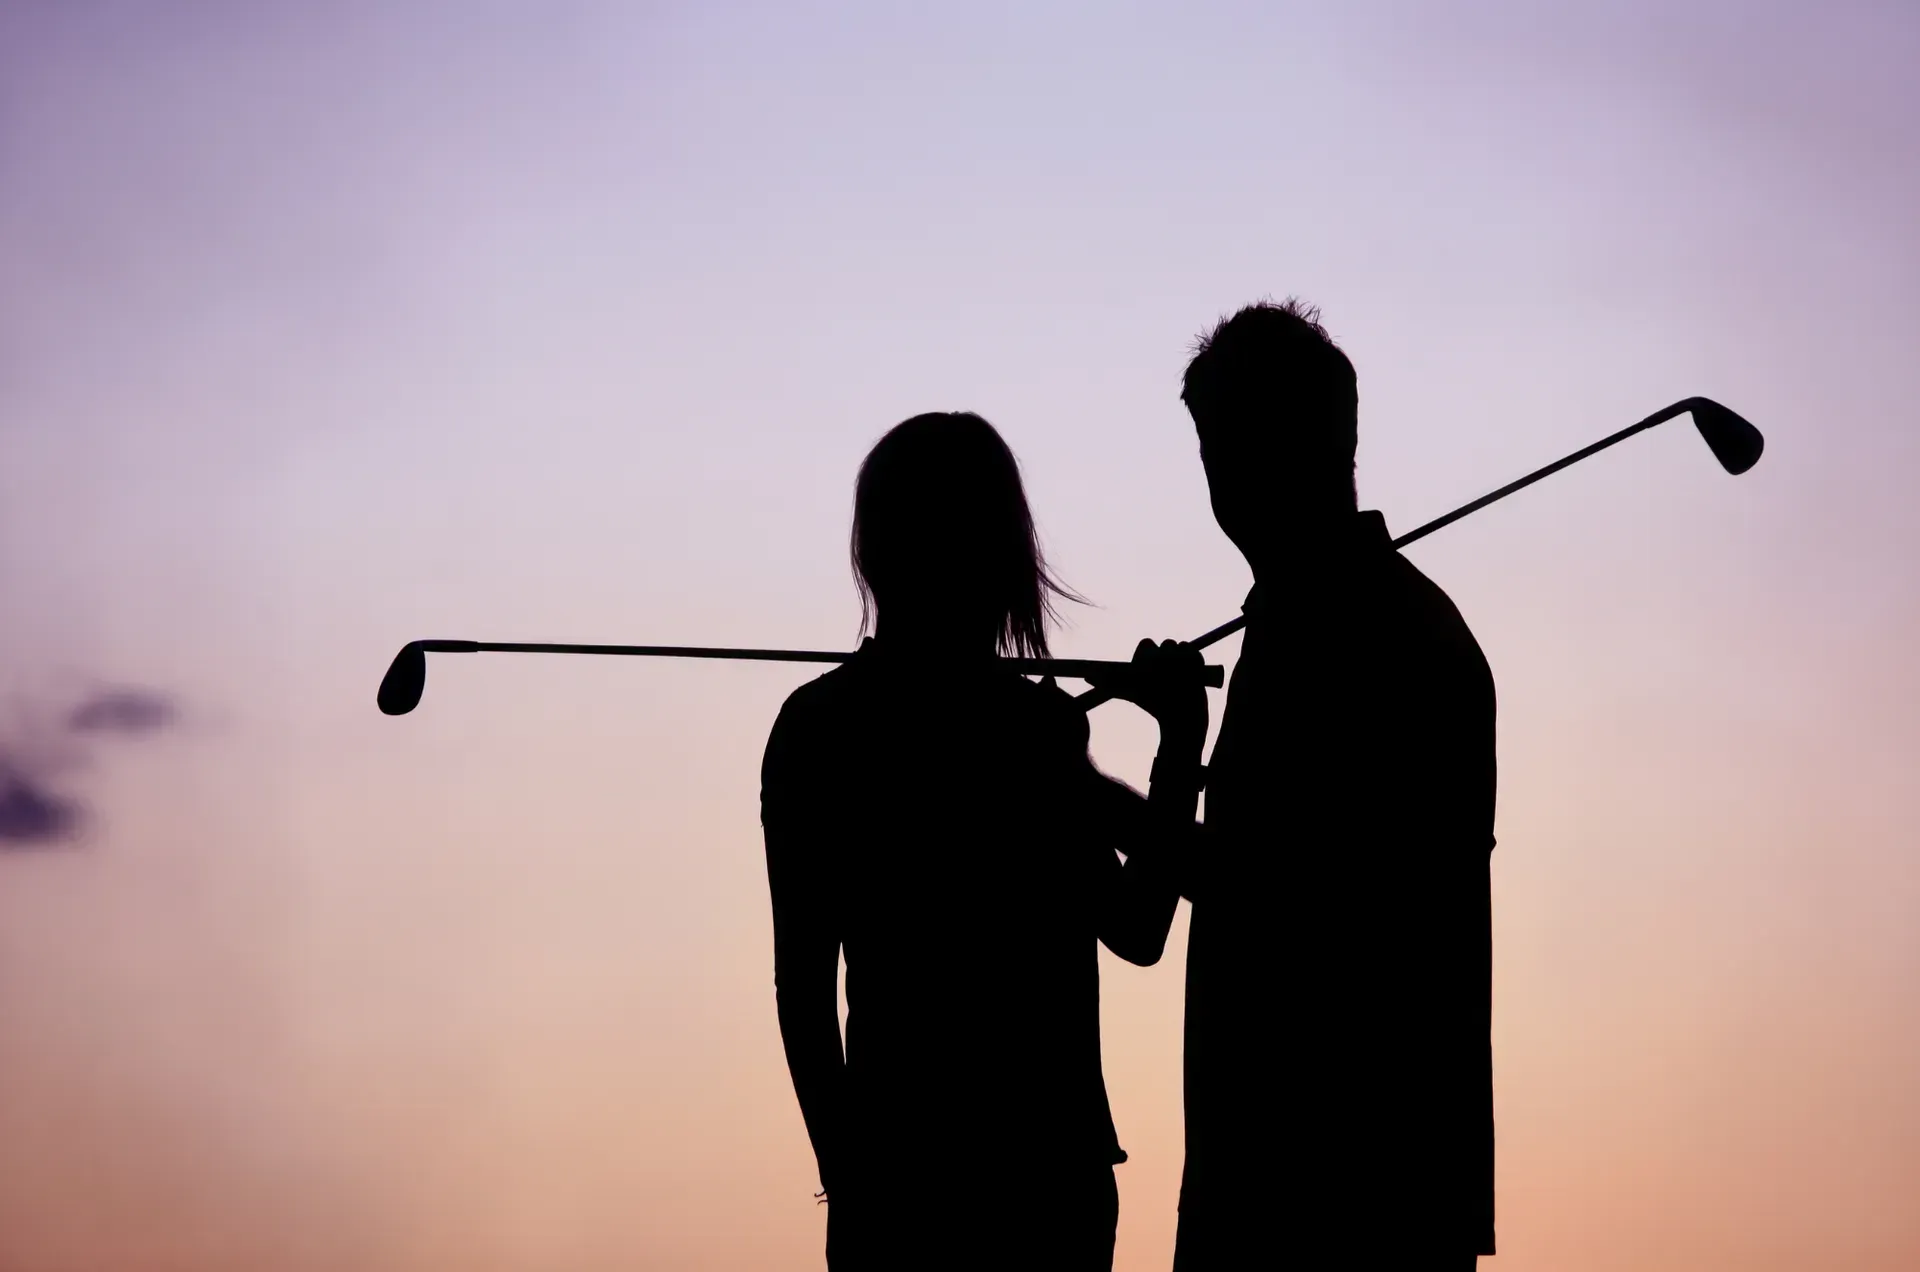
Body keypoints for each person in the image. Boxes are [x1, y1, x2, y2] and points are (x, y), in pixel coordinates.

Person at [759, 411, 1207, 1272]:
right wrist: (1179, 742)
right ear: (1003, 557)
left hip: (912, 1179)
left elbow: (803, 989)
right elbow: (1141, 928)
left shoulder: (820, 726)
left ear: (873, 553)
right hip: (1043, 1175)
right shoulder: (1033, 725)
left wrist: (849, 1174)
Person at [1168, 300, 1499, 1269]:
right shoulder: (1324, 619)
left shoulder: (1359, 636)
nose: (1223, 480)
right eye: (1212, 451)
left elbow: (1273, 890)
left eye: (1232, 444)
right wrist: (1179, 748)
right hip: (1338, 1179)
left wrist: (1082, 788)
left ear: (1316, 444)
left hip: (1331, 1187)